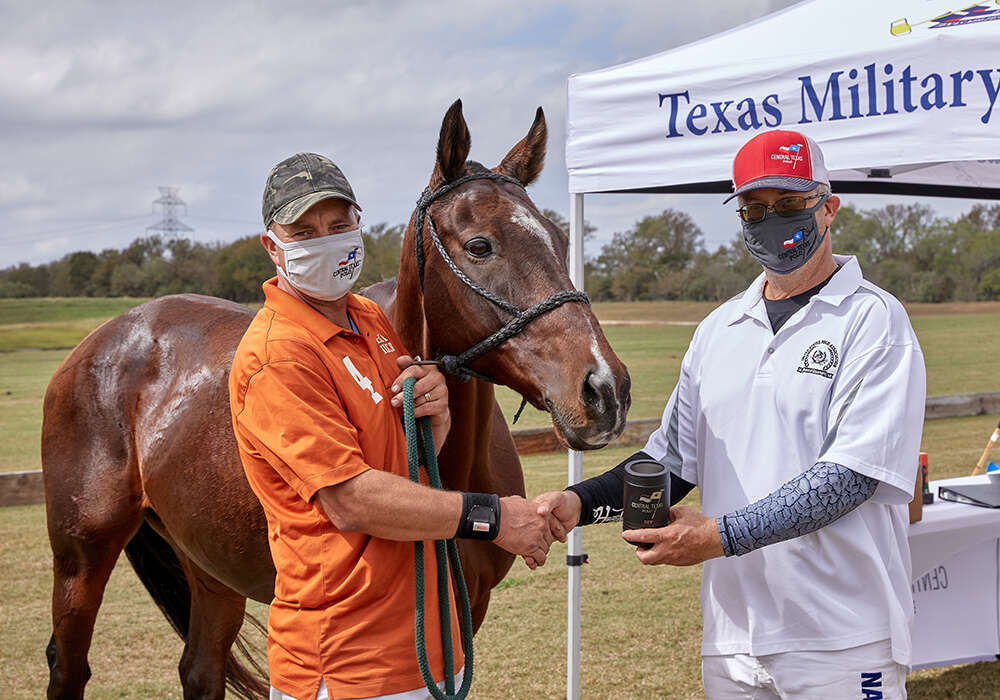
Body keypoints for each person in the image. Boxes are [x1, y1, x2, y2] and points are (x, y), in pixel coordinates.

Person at [535, 130, 926, 699]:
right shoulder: (719, 328)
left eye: (789, 204)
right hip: (733, 640)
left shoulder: (873, 319)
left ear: (829, 206)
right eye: (754, 207)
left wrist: (721, 536)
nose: (771, 219)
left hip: (842, 636)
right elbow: (672, 464)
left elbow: (850, 477)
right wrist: (579, 503)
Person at [229, 152, 553, 700]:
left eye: (337, 225)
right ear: (272, 246)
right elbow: (353, 500)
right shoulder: (277, 356)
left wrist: (437, 416)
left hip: (426, 649)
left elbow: (405, 464)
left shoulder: (369, 319)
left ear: (359, 223)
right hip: (350, 664)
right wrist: (494, 517)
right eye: (304, 231)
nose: (325, 240)